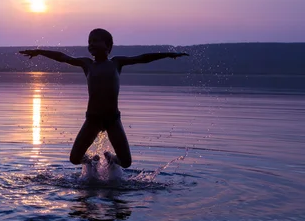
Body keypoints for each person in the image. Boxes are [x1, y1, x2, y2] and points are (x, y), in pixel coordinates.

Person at [20, 28, 188, 169]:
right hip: (92, 119)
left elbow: (142, 58)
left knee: (126, 163)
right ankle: (91, 162)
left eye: (95, 41)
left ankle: (112, 159)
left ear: (108, 45)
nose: (91, 44)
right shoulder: (87, 64)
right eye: (89, 41)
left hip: (112, 120)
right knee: (74, 158)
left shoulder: (116, 63)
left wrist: (167, 54)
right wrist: (40, 52)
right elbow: (63, 57)